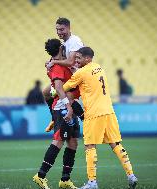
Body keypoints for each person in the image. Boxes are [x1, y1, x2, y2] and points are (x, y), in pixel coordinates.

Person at [61, 47, 138, 189]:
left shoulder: (81, 72)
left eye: (79, 58)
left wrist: (53, 90)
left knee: (89, 146)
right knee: (116, 144)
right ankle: (131, 175)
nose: (76, 60)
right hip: (109, 111)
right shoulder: (99, 67)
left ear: (87, 58)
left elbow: (64, 88)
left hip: (94, 114)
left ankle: (92, 182)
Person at [33, 39, 80, 189]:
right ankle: (40, 176)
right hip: (63, 108)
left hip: (68, 106)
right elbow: (59, 88)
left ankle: (65, 180)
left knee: (73, 142)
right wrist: (68, 106)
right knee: (59, 141)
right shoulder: (57, 66)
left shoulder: (57, 62)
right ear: (61, 48)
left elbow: (48, 91)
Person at [44, 17, 84, 132]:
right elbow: (59, 58)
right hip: (69, 76)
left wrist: (54, 62)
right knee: (46, 93)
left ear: (69, 28)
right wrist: (49, 62)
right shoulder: (64, 43)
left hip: (78, 77)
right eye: (57, 30)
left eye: (61, 29)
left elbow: (71, 62)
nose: (59, 32)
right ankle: (54, 119)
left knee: (65, 97)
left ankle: (85, 119)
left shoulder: (74, 41)